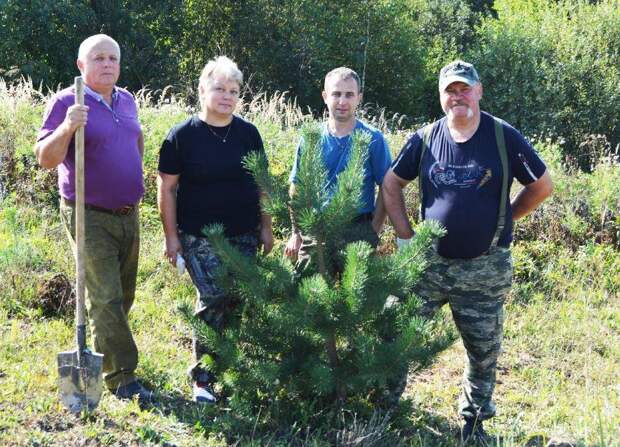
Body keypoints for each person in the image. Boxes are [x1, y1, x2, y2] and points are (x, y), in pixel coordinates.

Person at [382, 60, 553, 443]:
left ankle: (474, 422)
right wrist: (406, 236)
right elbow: (391, 185)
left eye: (464, 89)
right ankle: (384, 405)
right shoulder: (424, 138)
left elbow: (542, 186)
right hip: (428, 266)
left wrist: (506, 217)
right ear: (442, 97)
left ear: (478, 91)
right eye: (450, 90)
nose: (457, 96)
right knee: (395, 331)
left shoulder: (502, 136)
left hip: (484, 268)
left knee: (483, 349)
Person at [34, 34, 152, 402]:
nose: (107, 64)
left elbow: (137, 140)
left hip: (128, 214)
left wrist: (135, 179)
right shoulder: (68, 101)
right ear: (81, 65)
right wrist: (68, 127)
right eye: (98, 58)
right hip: (89, 214)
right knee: (106, 299)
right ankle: (123, 378)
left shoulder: (127, 100)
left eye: (113, 58)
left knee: (121, 295)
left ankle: (104, 356)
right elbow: (45, 158)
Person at [157, 56, 273, 404]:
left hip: (244, 234)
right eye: (219, 88)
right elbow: (166, 188)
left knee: (236, 301)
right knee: (214, 298)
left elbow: (262, 185)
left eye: (234, 90)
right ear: (203, 90)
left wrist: (266, 228)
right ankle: (202, 380)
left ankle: (229, 370)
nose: (227, 96)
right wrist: (171, 237)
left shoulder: (248, 134)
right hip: (198, 235)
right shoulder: (181, 136)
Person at [284, 67, 392, 269]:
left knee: (357, 298)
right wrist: (296, 233)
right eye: (336, 94)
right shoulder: (311, 137)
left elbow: (388, 188)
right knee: (311, 295)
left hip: (358, 230)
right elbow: (296, 188)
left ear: (359, 98)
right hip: (316, 229)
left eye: (349, 95)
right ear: (325, 96)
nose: (342, 101)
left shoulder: (373, 139)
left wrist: (373, 230)